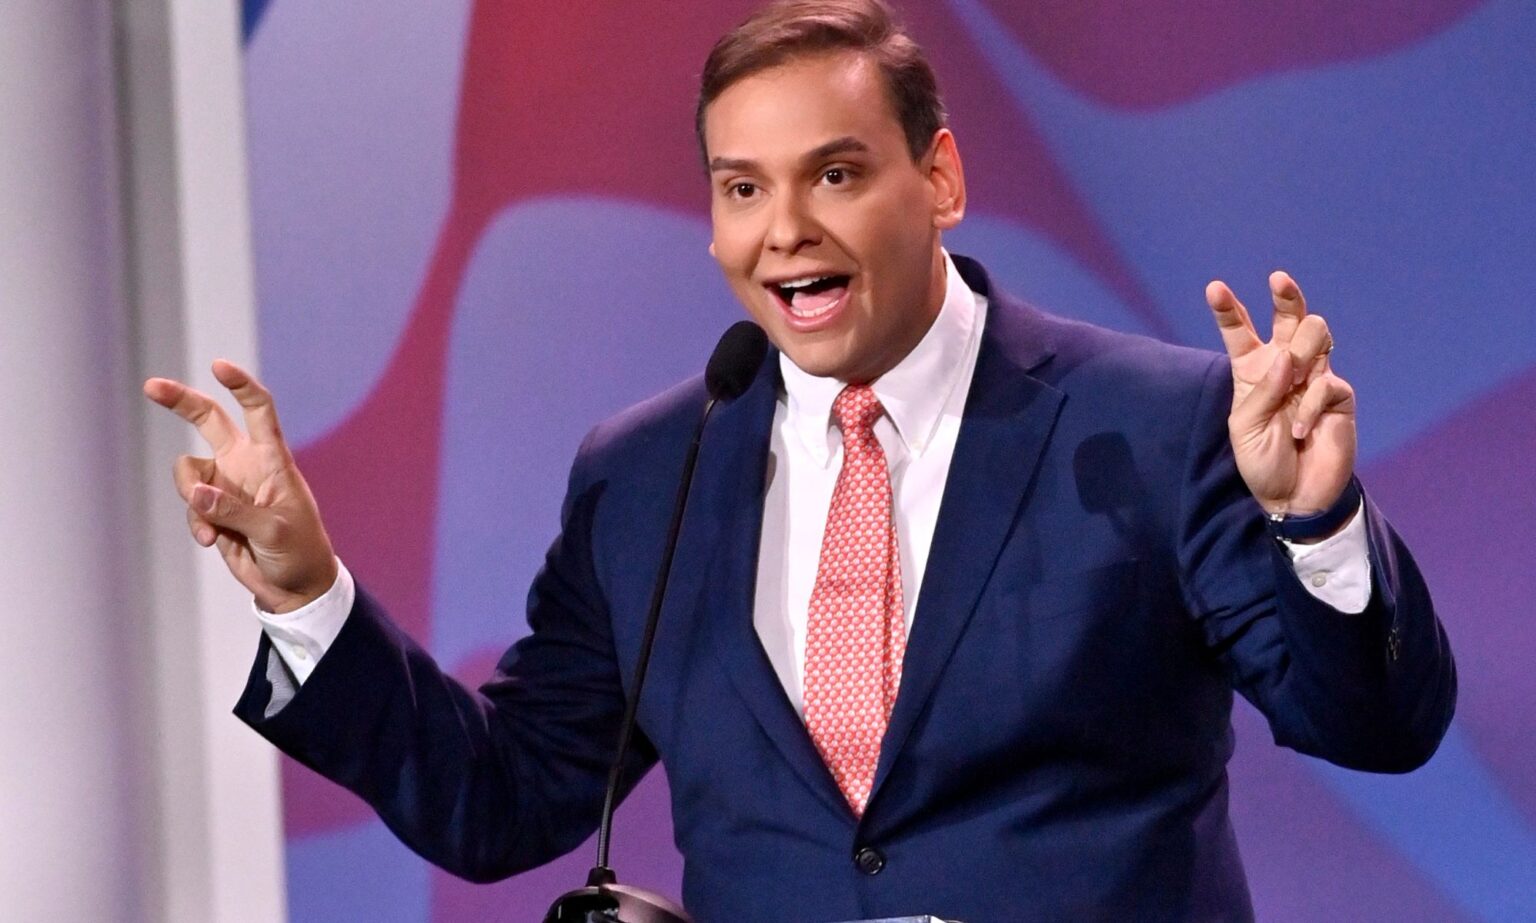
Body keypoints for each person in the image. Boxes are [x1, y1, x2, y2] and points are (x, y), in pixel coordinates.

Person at [143, 1, 1455, 920]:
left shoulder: (1153, 424)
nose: (784, 231)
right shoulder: (648, 474)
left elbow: (1374, 726)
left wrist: (1318, 526)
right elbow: (505, 799)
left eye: (834, 174)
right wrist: (308, 594)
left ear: (938, 176)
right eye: (742, 187)